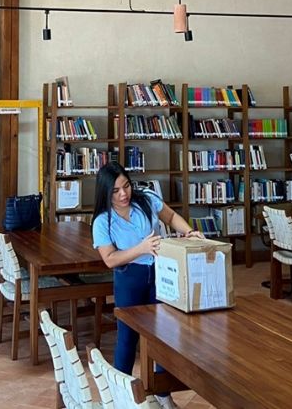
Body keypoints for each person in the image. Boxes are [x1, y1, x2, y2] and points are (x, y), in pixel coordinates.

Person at [91, 161, 203, 409]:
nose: (123, 194)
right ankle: (120, 395)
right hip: (129, 278)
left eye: (126, 186)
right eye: (116, 191)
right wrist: (141, 248)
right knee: (127, 337)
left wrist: (188, 232)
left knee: (163, 334)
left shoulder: (146, 199)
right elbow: (109, 259)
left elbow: (171, 216)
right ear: (105, 193)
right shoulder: (102, 221)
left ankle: (162, 392)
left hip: (160, 273)